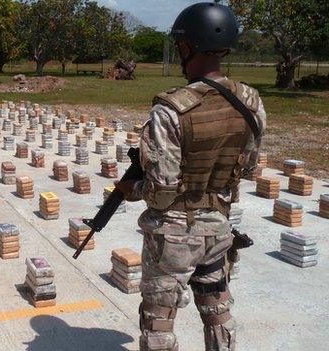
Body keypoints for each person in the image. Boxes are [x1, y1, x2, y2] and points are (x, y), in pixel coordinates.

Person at [115, 3, 266, 351]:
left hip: (174, 239)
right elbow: (247, 168)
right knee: (217, 309)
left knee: (159, 321)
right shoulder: (251, 101)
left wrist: (131, 189)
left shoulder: (171, 109)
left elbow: (161, 192)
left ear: (186, 48)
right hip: (219, 228)